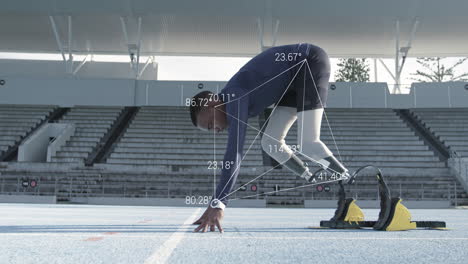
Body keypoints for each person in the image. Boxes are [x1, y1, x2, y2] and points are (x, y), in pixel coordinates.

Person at [189, 43, 351, 233]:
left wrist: (218, 204)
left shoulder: (234, 97)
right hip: (292, 81)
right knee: (270, 143)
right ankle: (312, 177)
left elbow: (235, 153)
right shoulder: (233, 96)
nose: (215, 131)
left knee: (308, 144)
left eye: (210, 125)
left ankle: (349, 186)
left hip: (308, 62)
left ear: (213, 104)